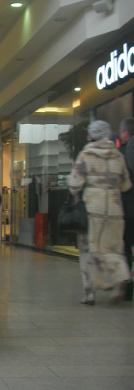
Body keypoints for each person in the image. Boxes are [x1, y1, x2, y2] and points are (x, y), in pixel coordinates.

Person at [68, 120, 132, 305]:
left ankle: (89, 292)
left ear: (91, 136)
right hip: (114, 208)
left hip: (92, 209)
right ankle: (120, 281)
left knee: (87, 249)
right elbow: (125, 184)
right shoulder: (118, 155)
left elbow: (75, 183)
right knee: (114, 247)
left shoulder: (86, 154)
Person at [118, 118, 134, 301]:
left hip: (128, 210)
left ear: (126, 133)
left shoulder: (122, 153)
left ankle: (128, 287)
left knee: (125, 248)